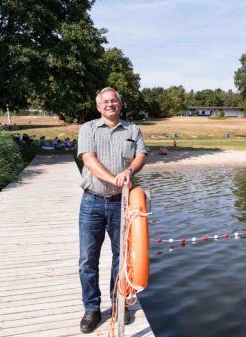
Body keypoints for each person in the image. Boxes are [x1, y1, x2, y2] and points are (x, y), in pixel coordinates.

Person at [77, 87, 148, 333]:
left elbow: (141, 155)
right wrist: (112, 178)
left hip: (121, 203)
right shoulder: (88, 129)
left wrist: (129, 171)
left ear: (120, 104)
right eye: (105, 101)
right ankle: (92, 308)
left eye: (114, 101)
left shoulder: (132, 130)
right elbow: (88, 159)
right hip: (92, 202)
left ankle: (118, 304)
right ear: (98, 106)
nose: (110, 104)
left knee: (121, 258)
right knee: (88, 259)